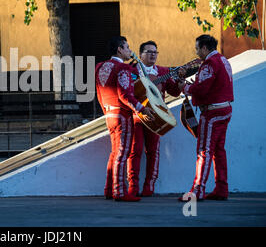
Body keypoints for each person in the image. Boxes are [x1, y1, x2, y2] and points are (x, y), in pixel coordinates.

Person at [95, 36, 155, 202]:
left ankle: (109, 189)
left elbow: (99, 93)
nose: (130, 50)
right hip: (122, 115)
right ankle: (119, 192)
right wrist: (141, 109)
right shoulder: (122, 67)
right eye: (127, 47)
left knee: (115, 153)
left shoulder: (100, 66)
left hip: (109, 112)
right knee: (122, 153)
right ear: (119, 49)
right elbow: (124, 95)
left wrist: (106, 111)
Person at [178, 35, 234, 201]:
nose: (196, 52)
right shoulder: (223, 60)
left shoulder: (210, 63)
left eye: (197, 48)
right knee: (218, 151)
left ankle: (197, 190)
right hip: (225, 109)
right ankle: (221, 189)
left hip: (212, 112)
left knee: (204, 150)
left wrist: (185, 87)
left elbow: (201, 89)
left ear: (204, 48)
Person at [127, 41, 183, 197]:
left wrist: (180, 82)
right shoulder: (131, 69)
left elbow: (174, 92)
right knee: (135, 150)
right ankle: (133, 185)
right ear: (140, 54)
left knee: (153, 151)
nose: (153, 55)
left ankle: (149, 186)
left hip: (157, 116)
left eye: (155, 52)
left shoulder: (163, 71)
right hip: (137, 114)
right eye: (149, 51)